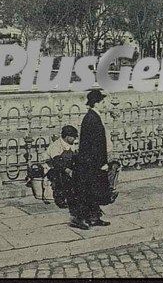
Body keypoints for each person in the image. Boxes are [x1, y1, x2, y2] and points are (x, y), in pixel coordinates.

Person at [72, 88, 112, 230]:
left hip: (91, 161)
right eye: (102, 101)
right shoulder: (91, 118)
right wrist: (101, 163)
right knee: (87, 191)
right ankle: (80, 219)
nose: (104, 103)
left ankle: (94, 217)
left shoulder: (93, 116)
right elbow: (95, 145)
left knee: (94, 190)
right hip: (91, 162)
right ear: (96, 103)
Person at [44, 126, 79, 210]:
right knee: (61, 177)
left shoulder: (71, 144)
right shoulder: (56, 146)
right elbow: (57, 162)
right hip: (53, 169)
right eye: (73, 137)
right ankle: (60, 200)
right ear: (67, 137)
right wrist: (68, 170)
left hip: (67, 167)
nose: (74, 139)